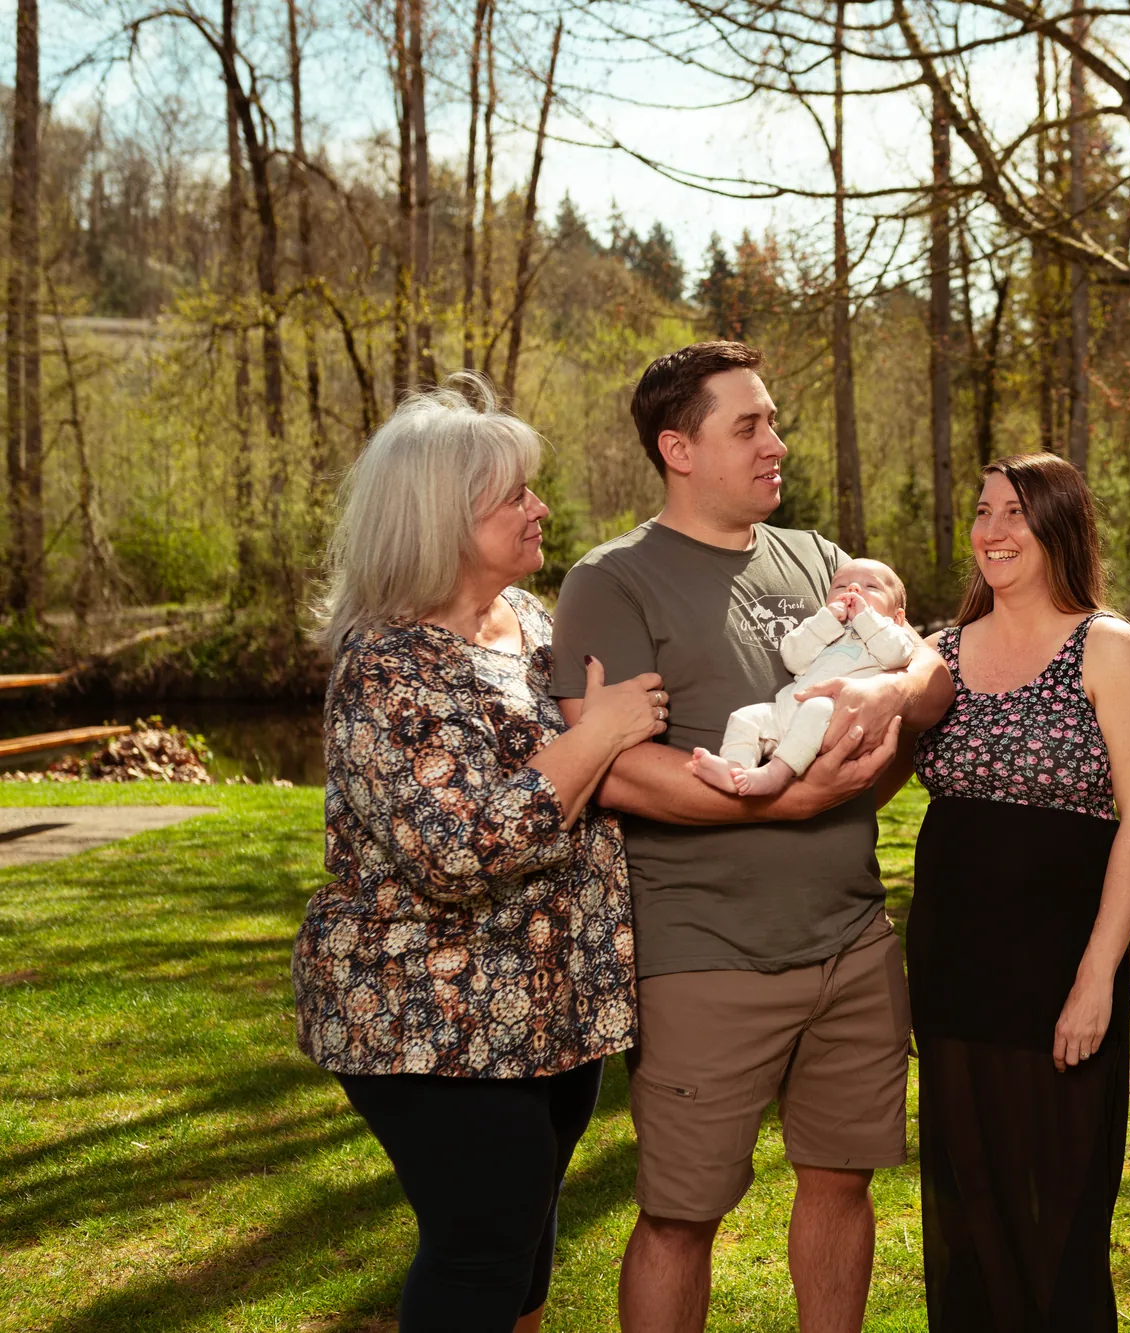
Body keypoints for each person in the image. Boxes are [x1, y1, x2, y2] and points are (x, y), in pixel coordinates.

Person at [547, 341, 955, 1333]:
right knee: (680, 1216)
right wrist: (773, 805)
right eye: (749, 426)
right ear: (678, 449)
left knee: (840, 1185)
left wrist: (882, 708)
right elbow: (617, 766)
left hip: (850, 943)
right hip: (705, 959)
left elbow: (919, 691)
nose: (776, 441)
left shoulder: (818, 560)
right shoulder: (612, 583)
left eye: (773, 420)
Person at [292, 375, 669, 1332]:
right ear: (442, 521)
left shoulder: (534, 625)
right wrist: (599, 734)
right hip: (427, 1013)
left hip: (549, 1007)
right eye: (516, 495)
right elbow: (454, 848)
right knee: (482, 1243)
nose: (541, 506)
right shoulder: (388, 663)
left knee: (524, 1240)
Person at [902, 453, 1130, 1330]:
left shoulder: (1107, 644)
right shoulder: (935, 655)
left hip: (1062, 970)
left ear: (1059, 524)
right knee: (966, 1202)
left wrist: (1097, 977)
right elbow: (859, 773)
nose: (993, 530)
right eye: (982, 511)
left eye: (1015, 511)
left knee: (1057, 1204)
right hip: (952, 967)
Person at [691, 557, 920, 797]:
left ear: (897, 617)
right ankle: (736, 768)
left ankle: (775, 774)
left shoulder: (891, 632)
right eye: (840, 587)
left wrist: (865, 618)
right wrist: (826, 621)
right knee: (747, 717)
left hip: (835, 720)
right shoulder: (823, 628)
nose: (853, 589)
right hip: (789, 709)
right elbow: (793, 658)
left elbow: (896, 656)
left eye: (870, 587)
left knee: (818, 706)